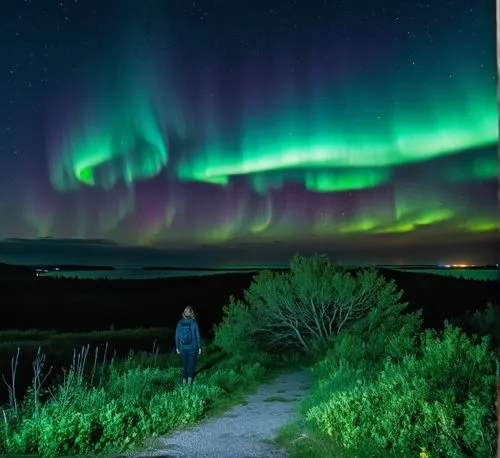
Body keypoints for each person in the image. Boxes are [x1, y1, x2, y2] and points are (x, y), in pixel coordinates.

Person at [175, 306, 201, 385]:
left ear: (184, 313)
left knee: (184, 364)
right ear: (191, 313)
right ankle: (189, 382)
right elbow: (198, 336)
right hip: (193, 347)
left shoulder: (180, 322)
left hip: (183, 347)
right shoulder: (194, 322)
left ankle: (184, 381)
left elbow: (177, 336)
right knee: (191, 364)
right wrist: (199, 347)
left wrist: (177, 347)